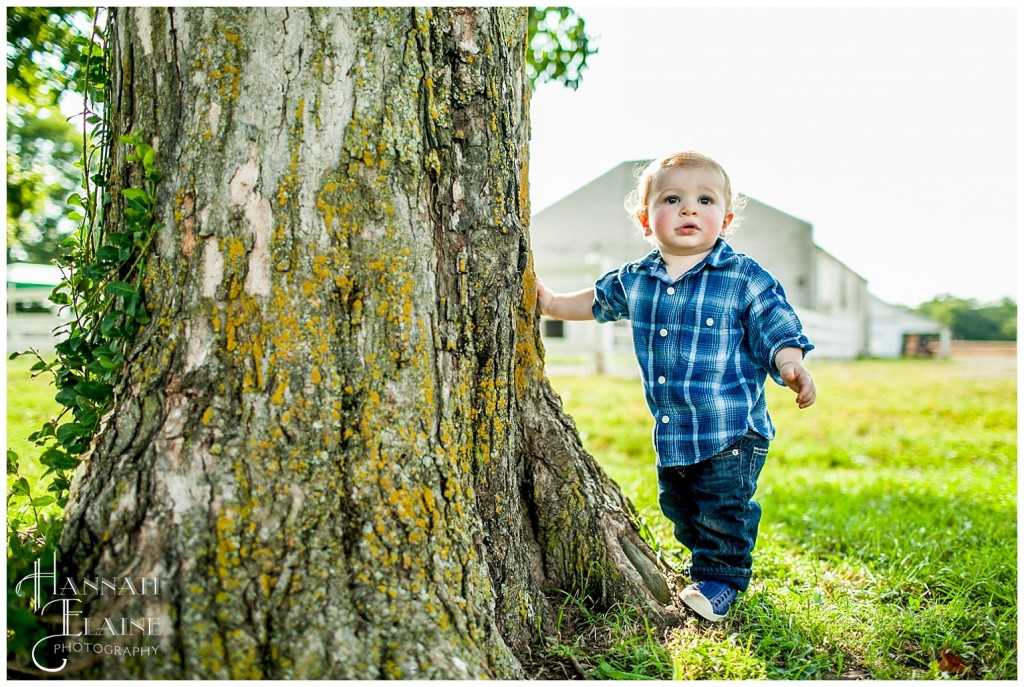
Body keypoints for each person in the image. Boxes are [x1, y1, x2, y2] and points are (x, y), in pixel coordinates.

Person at [536, 151, 816, 622]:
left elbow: (777, 323)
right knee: (681, 507)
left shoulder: (742, 276)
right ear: (647, 220)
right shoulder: (638, 279)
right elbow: (595, 302)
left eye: (704, 200)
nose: (689, 209)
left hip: (732, 429)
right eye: (673, 199)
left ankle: (722, 581)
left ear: (724, 220)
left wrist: (791, 364)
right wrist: (550, 303)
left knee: (722, 510)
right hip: (675, 431)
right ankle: (702, 563)